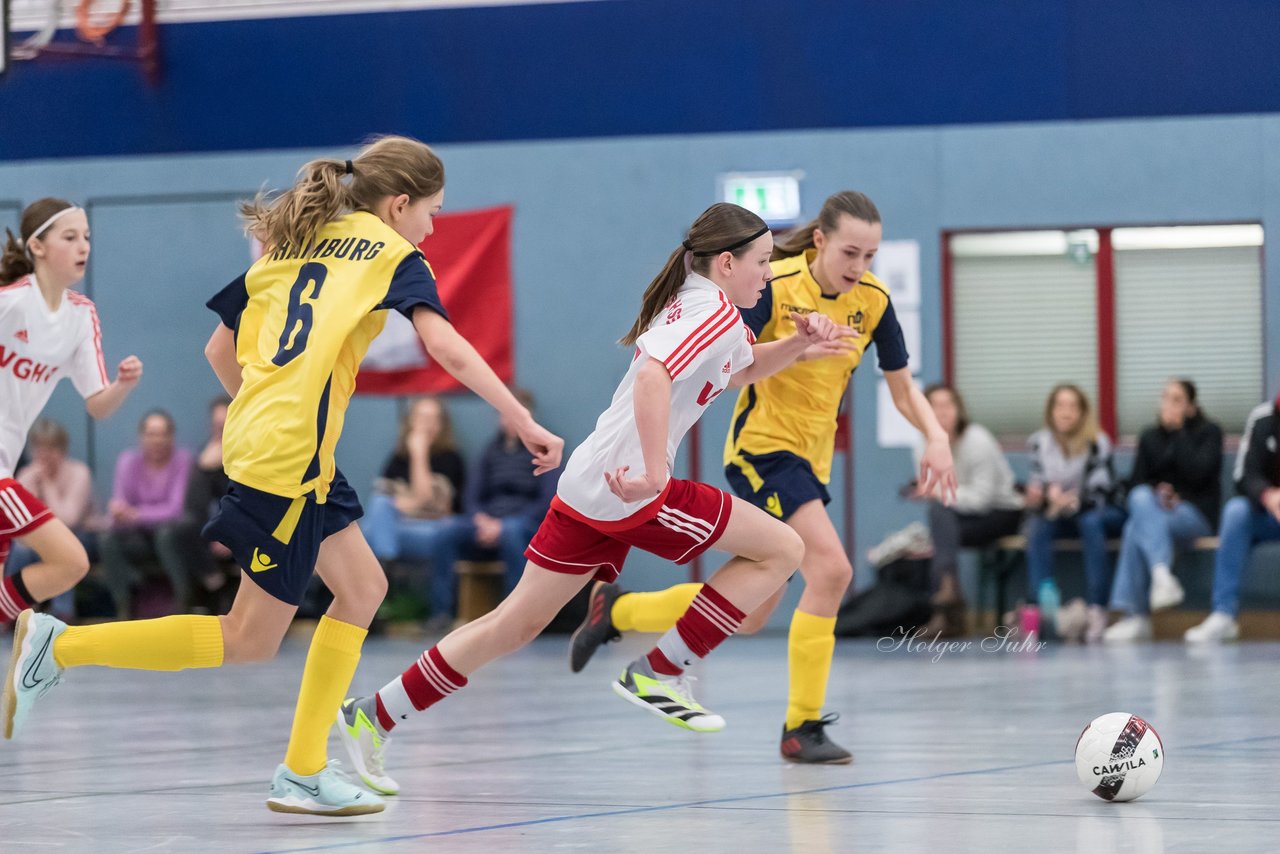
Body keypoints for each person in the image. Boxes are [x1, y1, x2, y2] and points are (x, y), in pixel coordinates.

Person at [3, 135, 562, 817]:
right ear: (400, 203)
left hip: (285, 450)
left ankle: (304, 767)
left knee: (363, 588)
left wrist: (264, 409)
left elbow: (218, 347)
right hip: (287, 460)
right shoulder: (392, 252)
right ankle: (62, 647)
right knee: (248, 639)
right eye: (434, 211)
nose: (434, 226)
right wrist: (521, 418)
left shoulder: (295, 243)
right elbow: (441, 342)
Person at [335, 202, 858, 795]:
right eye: (762, 262)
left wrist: (796, 345)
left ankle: (375, 713)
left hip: (592, 483)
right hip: (631, 488)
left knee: (513, 624)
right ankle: (660, 672)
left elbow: (738, 371)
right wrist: (658, 472)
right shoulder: (709, 312)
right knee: (783, 550)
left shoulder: (710, 308)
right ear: (727, 262)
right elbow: (654, 375)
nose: (769, 274)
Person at [567, 191, 957, 764]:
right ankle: (802, 727)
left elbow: (901, 387)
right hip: (763, 450)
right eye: (851, 252)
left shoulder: (872, 301)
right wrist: (799, 342)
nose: (860, 267)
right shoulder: (771, 282)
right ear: (820, 240)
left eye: (871, 256)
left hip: (812, 458)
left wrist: (936, 436)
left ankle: (619, 612)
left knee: (748, 616)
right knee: (832, 569)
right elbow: (735, 361)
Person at [0, 197, 142, 631]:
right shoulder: (12, 304)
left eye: (87, 237)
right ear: (37, 247)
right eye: (70, 237)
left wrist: (121, 385)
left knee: (68, 565)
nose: (83, 246)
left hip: (7, 462)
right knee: (71, 558)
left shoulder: (81, 316)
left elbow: (97, 404)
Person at [1104, 379, 1223, 641]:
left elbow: (1200, 474)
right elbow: (1136, 482)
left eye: (1177, 400)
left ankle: (1135, 615)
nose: (1168, 405)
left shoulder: (1209, 432)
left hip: (1194, 514)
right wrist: (1159, 492)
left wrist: (1179, 432)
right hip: (1157, 512)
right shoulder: (1149, 436)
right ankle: (1162, 576)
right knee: (1138, 507)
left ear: (1191, 407)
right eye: (1165, 398)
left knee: (1137, 527)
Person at [913, 384, 1023, 638]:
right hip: (958, 516)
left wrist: (937, 493)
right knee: (939, 517)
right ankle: (948, 593)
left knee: (939, 517)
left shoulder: (977, 440)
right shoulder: (922, 443)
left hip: (1001, 512)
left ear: (959, 410)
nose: (941, 413)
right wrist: (936, 494)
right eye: (934, 407)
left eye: (947, 406)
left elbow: (982, 500)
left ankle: (947, 606)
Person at [1020, 385, 1125, 642]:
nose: (1065, 412)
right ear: (1051, 411)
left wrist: (1074, 500)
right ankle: (1039, 607)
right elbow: (1037, 485)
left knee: (1090, 523)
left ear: (1082, 412)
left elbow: (1103, 490)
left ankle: (1097, 608)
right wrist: (1043, 496)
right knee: (1038, 526)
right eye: (1059, 406)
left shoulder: (1097, 441)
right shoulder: (1038, 443)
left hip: (1098, 512)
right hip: (1058, 513)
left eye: (1072, 406)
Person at [1183, 394, 1280, 643]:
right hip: (1268, 515)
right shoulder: (1262, 418)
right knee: (1236, 512)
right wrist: (1267, 495)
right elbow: (1243, 475)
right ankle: (1223, 614)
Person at [451, 386, 560, 596]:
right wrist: (481, 520)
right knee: (447, 532)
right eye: (506, 415)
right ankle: (442, 612)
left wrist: (502, 527)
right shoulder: (489, 452)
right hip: (487, 523)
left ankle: (517, 604)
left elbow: (548, 500)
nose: (511, 421)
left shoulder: (545, 450)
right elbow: (471, 496)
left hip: (524, 525)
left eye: (518, 415)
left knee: (511, 531)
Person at [98, 410, 195, 617]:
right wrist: (119, 512)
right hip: (138, 537)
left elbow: (175, 509)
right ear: (141, 437)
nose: (157, 440)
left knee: (166, 535)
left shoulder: (182, 461)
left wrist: (136, 514)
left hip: (173, 537)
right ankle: (124, 605)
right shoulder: (128, 461)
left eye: (163, 434)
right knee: (107, 540)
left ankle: (184, 601)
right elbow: (121, 504)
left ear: (171, 437)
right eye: (151, 434)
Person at [6, 419, 97, 621]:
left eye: (51, 448)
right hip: (36, 541)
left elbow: (68, 519)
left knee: (61, 551)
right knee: (20, 549)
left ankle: (62, 612)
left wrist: (47, 485)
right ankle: (16, 613)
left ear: (63, 449)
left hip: (81, 537)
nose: (45, 455)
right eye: (39, 448)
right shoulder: (26, 474)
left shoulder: (79, 472)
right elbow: (15, 523)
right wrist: (30, 486)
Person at [182, 395, 236, 613]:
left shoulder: (254, 453)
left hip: (244, 526)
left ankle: (221, 591)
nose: (220, 431)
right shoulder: (208, 453)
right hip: (211, 529)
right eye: (216, 426)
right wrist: (204, 467)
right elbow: (195, 506)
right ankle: (214, 583)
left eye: (225, 426)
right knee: (182, 528)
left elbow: (250, 504)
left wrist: (228, 535)